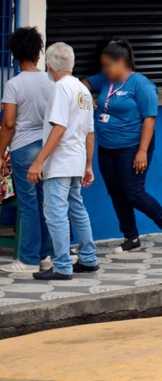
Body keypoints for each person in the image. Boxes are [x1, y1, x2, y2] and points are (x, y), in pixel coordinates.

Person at [87, 40, 162, 253]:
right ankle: (131, 237)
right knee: (116, 193)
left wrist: (142, 151)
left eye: (109, 65)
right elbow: (83, 84)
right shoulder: (105, 80)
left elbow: (150, 119)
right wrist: (85, 98)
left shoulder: (141, 84)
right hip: (107, 147)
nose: (105, 70)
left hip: (132, 147)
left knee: (133, 191)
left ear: (121, 62)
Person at [26, 42, 100, 280]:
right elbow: (90, 132)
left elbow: (59, 128)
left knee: (55, 213)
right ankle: (88, 258)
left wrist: (38, 161)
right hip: (76, 159)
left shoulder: (60, 88)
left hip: (60, 162)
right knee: (77, 208)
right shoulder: (83, 90)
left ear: (48, 65)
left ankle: (62, 265)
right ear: (73, 63)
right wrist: (88, 164)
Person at [0, 27, 55, 273]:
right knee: (45, 203)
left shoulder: (14, 85)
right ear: (38, 54)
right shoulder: (51, 81)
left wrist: (1, 153)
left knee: (28, 205)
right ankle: (45, 255)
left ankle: (29, 257)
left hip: (22, 149)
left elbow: (9, 124)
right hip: (46, 149)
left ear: (15, 54)